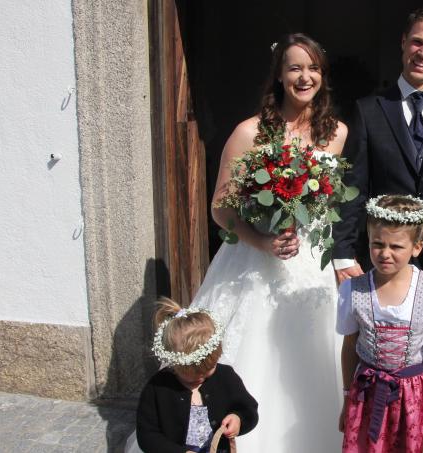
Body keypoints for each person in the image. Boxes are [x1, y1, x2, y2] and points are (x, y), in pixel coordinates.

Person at [189, 33, 348, 451]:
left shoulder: (338, 134)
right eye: (295, 67)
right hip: (255, 262)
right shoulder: (249, 132)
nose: (304, 76)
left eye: (313, 68)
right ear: (279, 75)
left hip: (312, 268)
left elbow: (332, 206)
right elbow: (220, 207)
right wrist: (260, 240)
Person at [332, 6, 423, 305]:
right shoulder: (369, 110)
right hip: (382, 255)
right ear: (403, 42)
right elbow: (353, 188)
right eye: (417, 42)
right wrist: (343, 254)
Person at [337, 195, 423, 452]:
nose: (385, 253)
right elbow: (350, 346)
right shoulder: (353, 290)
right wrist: (348, 397)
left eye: (396, 247)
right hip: (366, 396)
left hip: (414, 399)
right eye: (377, 244)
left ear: (417, 247)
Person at [136, 298, 258, 453]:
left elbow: (248, 408)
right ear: (175, 363)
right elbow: (147, 435)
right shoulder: (158, 387)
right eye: (193, 374)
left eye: (209, 369)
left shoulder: (225, 377)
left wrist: (238, 418)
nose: (201, 377)